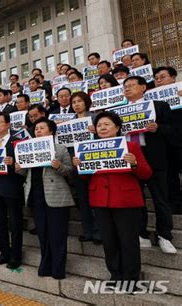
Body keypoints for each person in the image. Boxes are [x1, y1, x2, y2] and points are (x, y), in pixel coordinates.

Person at [73, 111, 152, 286]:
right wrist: (79, 167)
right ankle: (115, 275)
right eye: (100, 125)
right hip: (100, 200)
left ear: (117, 127)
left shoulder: (131, 147)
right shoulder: (87, 148)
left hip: (126, 201)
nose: (103, 127)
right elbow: (86, 178)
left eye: (107, 124)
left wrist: (134, 164)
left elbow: (146, 174)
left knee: (128, 241)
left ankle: (131, 279)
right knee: (109, 241)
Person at [123, 76, 176, 254]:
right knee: (136, 199)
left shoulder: (159, 106)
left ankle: (165, 235)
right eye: (125, 87)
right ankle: (141, 234)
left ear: (143, 87)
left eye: (131, 85)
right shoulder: (118, 112)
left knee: (160, 199)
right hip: (131, 158)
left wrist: (158, 128)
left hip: (154, 157)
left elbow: (172, 129)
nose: (127, 89)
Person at [16, 118, 74, 279]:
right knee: (42, 233)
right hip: (36, 196)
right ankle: (45, 264)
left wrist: (59, 166)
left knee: (58, 234)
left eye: (42, 128)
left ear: (51, 131)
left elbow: (69, 171)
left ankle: (58, 268)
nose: (38, 131)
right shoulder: (28, 149)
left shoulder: (60, 148)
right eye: (36, 129)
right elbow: (24, 173)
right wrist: (19, 168)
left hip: (56, 196)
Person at [0, 112, 25, 269]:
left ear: (8, 124)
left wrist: (14, 162)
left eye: (0, 122)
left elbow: (24, 164)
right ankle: (4, 253)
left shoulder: (17, 142)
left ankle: (16, 256)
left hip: (12, 187)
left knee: (15, 223)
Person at [70, 92, 100, 243]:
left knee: (95, 198)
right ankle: (87, 231)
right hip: (76, 164)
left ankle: (98, 232)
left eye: (79, 101)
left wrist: (96, 132)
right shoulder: (69, 122)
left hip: (93, 162)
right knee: (82, 199)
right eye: (73, 102)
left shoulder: (95, 118)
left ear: (86, 102)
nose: (76, 104)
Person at [154, 66, 182, 214]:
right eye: (157, 78)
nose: (159, 80)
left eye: (162, 77)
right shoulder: (152, 100)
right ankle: (176, 204)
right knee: (171, 176)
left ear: (173, 77)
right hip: (165, 142)